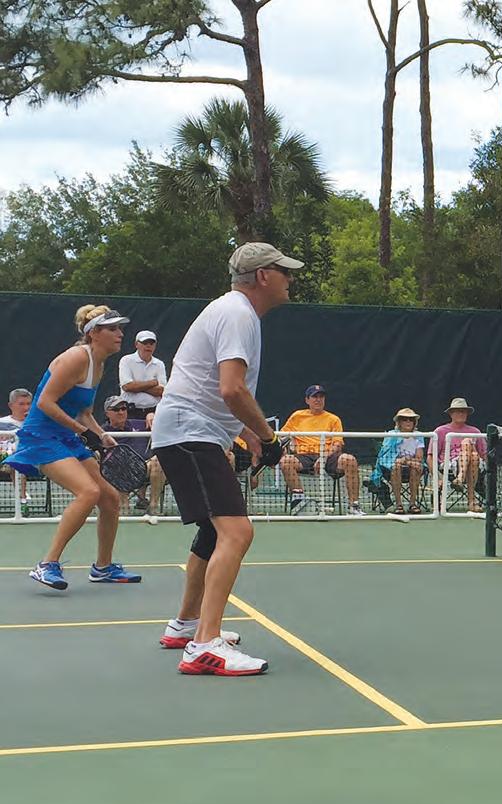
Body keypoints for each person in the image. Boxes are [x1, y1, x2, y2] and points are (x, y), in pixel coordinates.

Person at [150, 241, 301, 675]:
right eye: (284, 271)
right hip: (190, 433)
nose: (290, 278)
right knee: (236, 532)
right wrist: (268, 437)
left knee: (212, 532)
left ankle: (186, 625)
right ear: (263, 277)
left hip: (191, 432)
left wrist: (248, 435)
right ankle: (205, 646)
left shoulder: (232, 311)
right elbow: (231, 388)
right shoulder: (238, 314)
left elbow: (213, 389)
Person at [7, 305, 142, 589]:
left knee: (110, 499)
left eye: (120, 328)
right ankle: (47, 564)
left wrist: (101, 435)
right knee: (89, 492)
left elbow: (84, 412)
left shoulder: (99, 364)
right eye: (113, 329)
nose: (120, 334)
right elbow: (45, 402)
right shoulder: (76, 357)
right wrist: (83, 432)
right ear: (94, 333)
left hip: (66, 436)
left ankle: (103, 568)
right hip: (41, 436)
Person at [280, 385, 364, 515]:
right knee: (286, 461)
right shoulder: (297, 416)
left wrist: (323, 458)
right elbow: (281, 436)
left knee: (350, 460)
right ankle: (301, 503)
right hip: (304, 456)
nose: (318, 400)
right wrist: (286, 446)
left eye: (321, 397)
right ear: (307, 400)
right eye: (314, 397)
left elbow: (337, 444)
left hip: (328, 455)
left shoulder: (334, 419)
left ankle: (354, 506)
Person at [101, 395, 165, 514]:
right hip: (119, 469)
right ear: (107, 413)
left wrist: (152, 415)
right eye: (116, 409)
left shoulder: (139, 424)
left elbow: (162, 424)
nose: (121, 412)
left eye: (124, 408)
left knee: (158, 461)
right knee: (118, 463)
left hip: (145, 466)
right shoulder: (103, 431)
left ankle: (153, 507)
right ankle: (123, 509)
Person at [432, 397, 487, 513]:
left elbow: (484, 455)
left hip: (475, 465)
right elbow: (431, 456)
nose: (461, 414)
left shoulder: (475, 432)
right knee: (469, 445)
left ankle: (460, 478)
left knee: (472, 452)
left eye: (463, 411)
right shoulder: (440, 431)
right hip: (449, 466)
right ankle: (471, 502)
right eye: (458, 411)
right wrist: (437, 477)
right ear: (451, 414)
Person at [374, 407, 427, 513]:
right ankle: (399, 505)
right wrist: (401, 461)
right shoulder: (391, 435)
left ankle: (412, 504)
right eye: (404, 419)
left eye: (411, 419)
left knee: (416, 467)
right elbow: (387, 457)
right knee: (396, 466)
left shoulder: (418, 436)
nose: (408, 422)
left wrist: (406, 460)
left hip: (412, 466)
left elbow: (419, 458)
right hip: (391, 469)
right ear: (399, 422)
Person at [118, 329, 167, 419]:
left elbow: (161, 391)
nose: (148, 346)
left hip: (154, 412)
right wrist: (152, 383)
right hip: (131, 411)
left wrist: (136, 386)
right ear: (136, 344)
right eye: (145, 343)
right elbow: (127, 387)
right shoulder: (126, 360)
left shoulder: (159, 364)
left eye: (151, 343)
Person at [0, 387, 33, 506]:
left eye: (28, 404)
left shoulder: (35, 424)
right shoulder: (2, 423)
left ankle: (22, 500)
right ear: (11, 405)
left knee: (18, 462)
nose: (26, 407)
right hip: (3, 457)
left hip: (29, 459)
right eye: (21, 404)